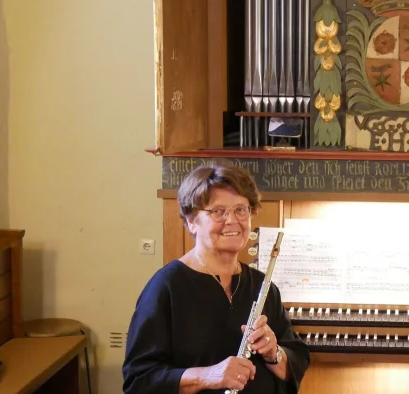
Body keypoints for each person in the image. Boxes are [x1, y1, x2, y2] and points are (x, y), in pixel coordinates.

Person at [123, 164, 310, 394]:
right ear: (192, 221)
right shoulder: (166, 287)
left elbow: (295, 361)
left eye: (241, 210)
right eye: (217, 211)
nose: (232, 220)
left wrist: (274, 353)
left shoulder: (263, 286)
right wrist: (207, 376)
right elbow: (139, 380)